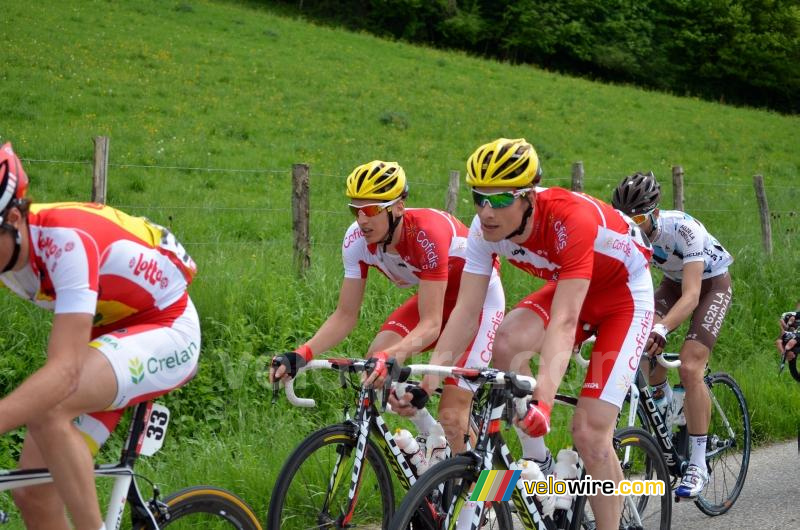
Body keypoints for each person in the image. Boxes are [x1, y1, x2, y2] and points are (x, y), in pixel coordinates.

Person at [397, 138, 654, 530]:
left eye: (500, 201)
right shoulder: (485, 233)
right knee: (505, 343)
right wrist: (430, 382)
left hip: (623, 296)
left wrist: (544, 403)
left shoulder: (569, 219)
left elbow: (565, 323)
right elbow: (466, 313)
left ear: (528, 196)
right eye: (479, 197)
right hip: (573, 286)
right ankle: (540, 462)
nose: (486, 211)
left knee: (590, 432)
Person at [0, 142, 200, 530]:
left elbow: (65, 373)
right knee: (33, 493)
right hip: (111, 331)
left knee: (50, 406)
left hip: (168, 326)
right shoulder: (10, 247)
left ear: (12, 217)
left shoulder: (65, 240)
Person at [270, 160, 505, 455]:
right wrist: (302, 353)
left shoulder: (426, 235)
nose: (362, 220)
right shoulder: (356, 241)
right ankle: (432, 445)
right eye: (355, 210)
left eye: (370, 210)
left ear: (397, 208)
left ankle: (487, 495)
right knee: (375, 359)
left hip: (479, 304)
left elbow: (431, 323)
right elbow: (345, 315)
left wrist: (401, 363)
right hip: (441, 299)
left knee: (453, 414)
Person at [612, 171, 733, 498]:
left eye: (638, 218)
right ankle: (673, 416)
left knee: (691, 366)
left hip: (709, 286)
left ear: (654, 211)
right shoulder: (625, 234)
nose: (632, 226)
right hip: (671, 283)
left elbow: (692, 295)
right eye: (626, 219)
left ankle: (697, 463)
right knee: (644, 349)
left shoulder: (683, 229)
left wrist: (664, 327)